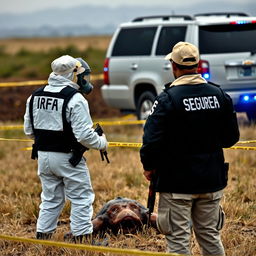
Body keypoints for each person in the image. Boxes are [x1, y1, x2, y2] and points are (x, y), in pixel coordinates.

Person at [140, 42, 240, 255]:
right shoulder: (219, 95)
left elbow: (151, 140)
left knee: (178, 242)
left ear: (173, 66)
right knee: (211, 238)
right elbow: (231, 138)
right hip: (211, 181)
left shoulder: (167, 98)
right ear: (197, 65)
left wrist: (149, 166)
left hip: (177, 184)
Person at [24, 55, 108, 242]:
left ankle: (42, 238)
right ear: (73, 75)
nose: (84, 81)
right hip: (69, 158)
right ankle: (83, 239)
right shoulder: (75, 99)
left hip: (43, 157)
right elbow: (85, 136)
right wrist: (102, 142)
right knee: (81, 198)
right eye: (82, 76)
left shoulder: (35, 96)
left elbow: (28, 131)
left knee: (51, 199)